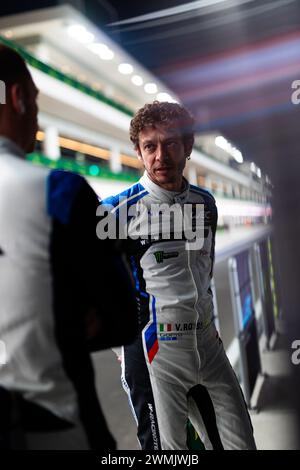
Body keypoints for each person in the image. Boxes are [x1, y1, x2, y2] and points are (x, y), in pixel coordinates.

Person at [0, 45, 137, 450]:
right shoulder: (59, 191)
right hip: (56, 425)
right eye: (36, 102)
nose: (37, 118)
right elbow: (124, 319)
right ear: (18, 98)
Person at [100, 101, 256, 450]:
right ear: (138, 152)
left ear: (187, 146)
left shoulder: (206, 204)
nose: (161, 156)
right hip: (155, 350)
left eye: (171, 143)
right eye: (150, 146)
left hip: (208, 346)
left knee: (241, 444)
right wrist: (121, 346)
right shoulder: (115, 211)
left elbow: (204, 269)